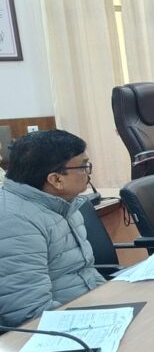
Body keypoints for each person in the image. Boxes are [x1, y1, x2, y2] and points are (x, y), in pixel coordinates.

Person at [0, 129, 104, 327]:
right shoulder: (15, 222)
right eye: (83, 166)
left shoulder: (62, 203)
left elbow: (86, 273)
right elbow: (30, 312)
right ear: (56, 179)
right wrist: (96, 322)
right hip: (60, 327)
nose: (88, 172)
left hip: (88, 307)